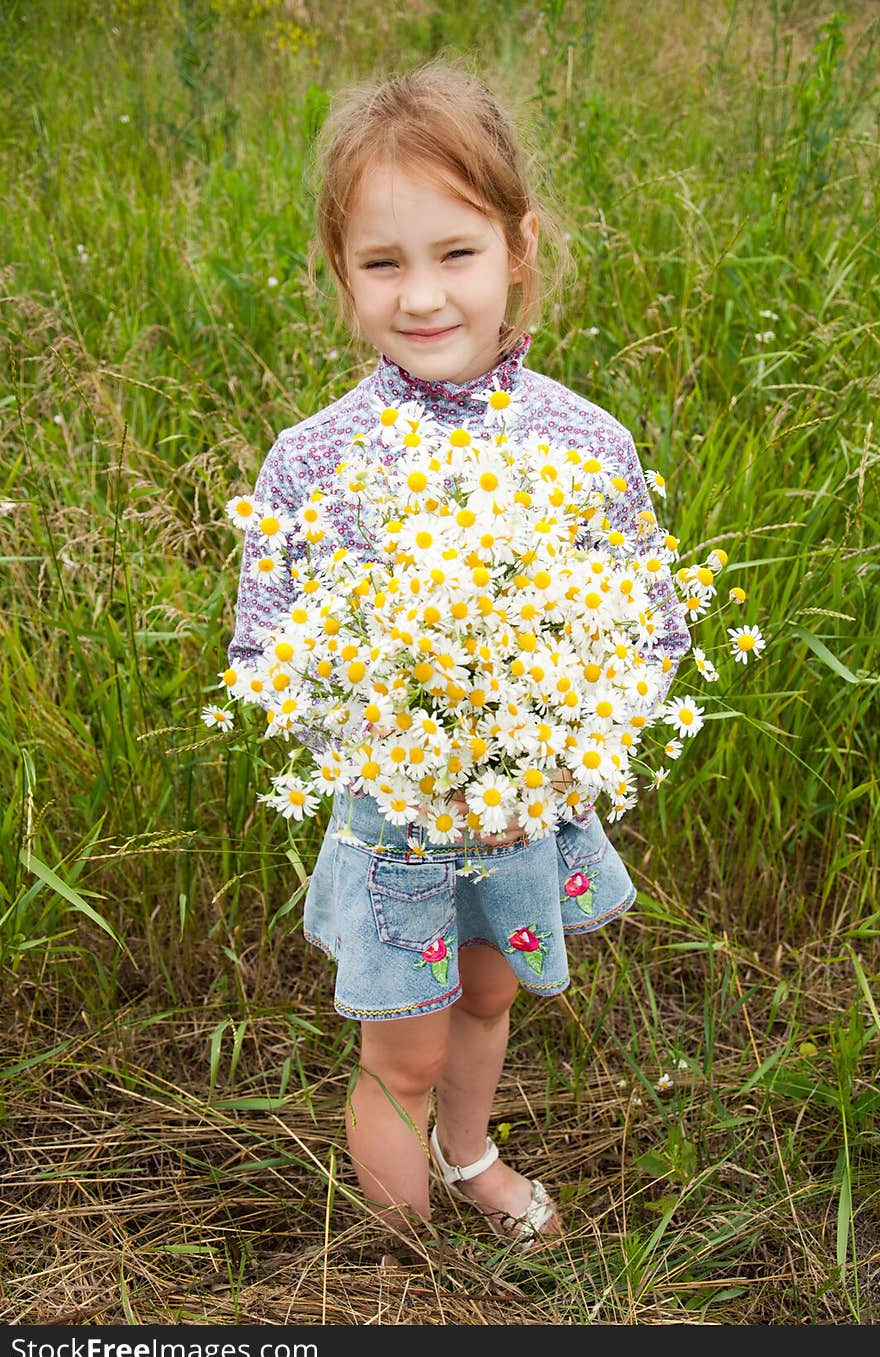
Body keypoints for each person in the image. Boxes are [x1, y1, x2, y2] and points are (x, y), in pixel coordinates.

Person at [227, 58, 691, 1253]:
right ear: (342, 277)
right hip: (396, 818)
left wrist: (577, 723)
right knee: (406, 1038)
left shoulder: (584, 442)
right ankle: (400, 1263)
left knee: (490, 995)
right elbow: (264, 647)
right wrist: (381, 721)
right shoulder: (314, 460)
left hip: (526, 803)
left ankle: (468, 1154)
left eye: (455, 253)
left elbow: (653, 626)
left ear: (517, 248)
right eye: (383, 263)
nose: (422, 295)